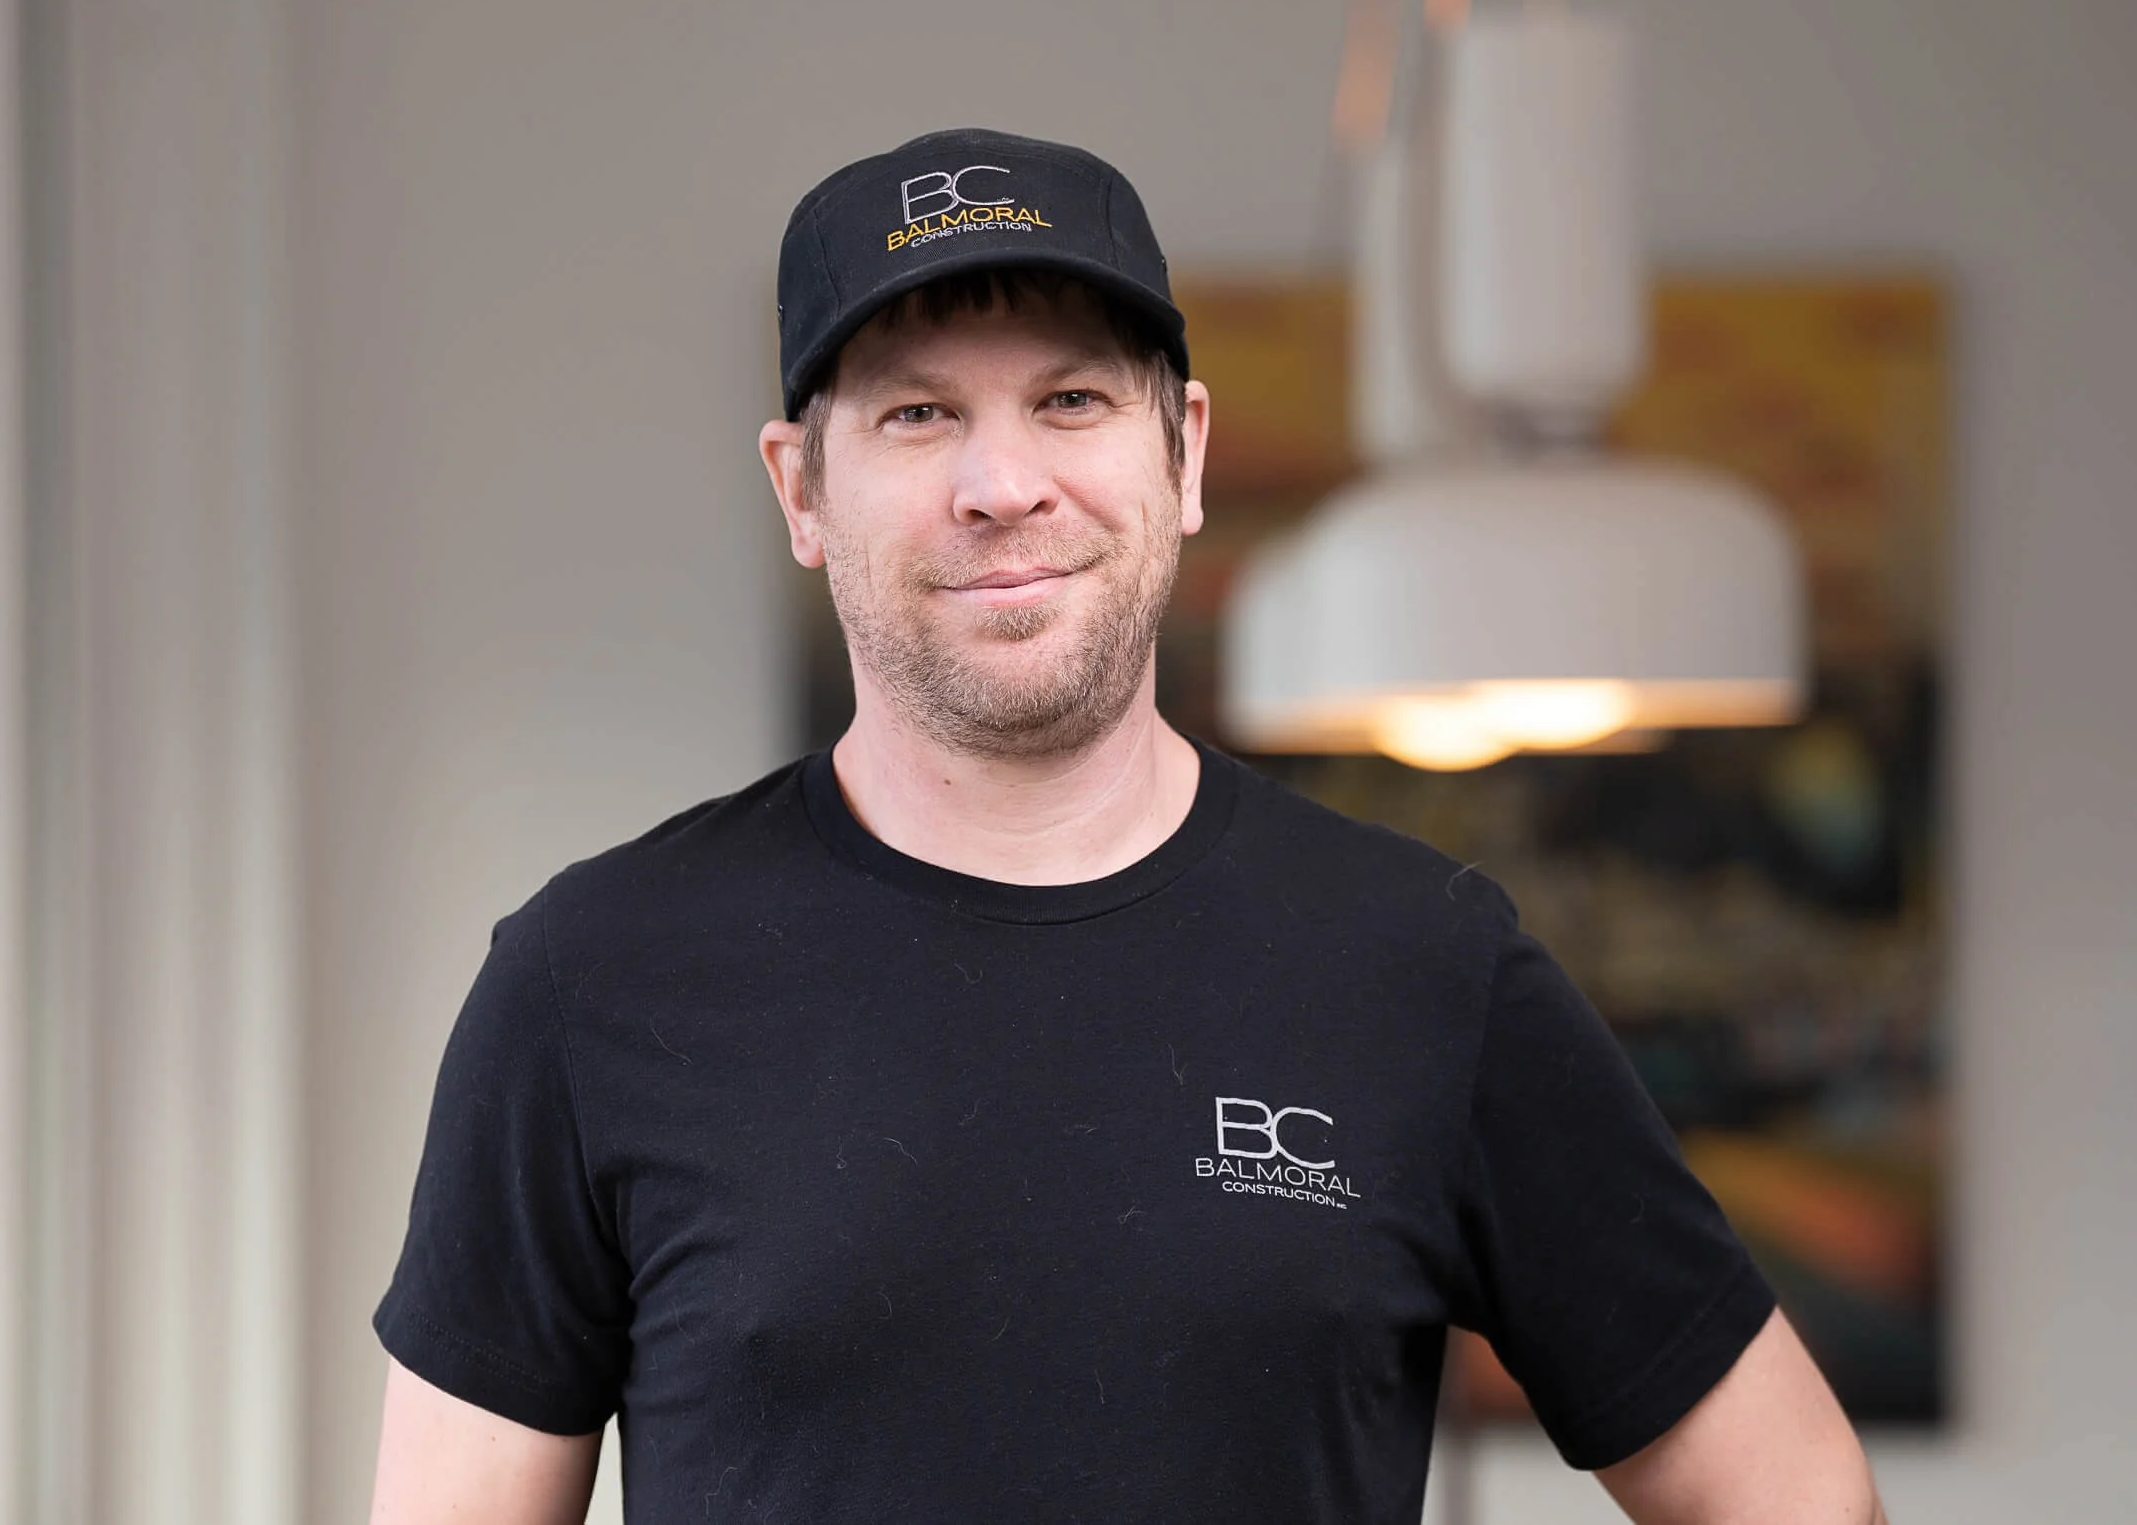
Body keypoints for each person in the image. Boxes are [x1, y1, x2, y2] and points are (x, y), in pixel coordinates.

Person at [365, 128, 1887, 1524]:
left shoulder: (1424, 968)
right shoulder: (592, 980)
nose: (1002, 484)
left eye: (1072, 400)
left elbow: (1799, 1496)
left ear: (1186, 453)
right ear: (801, 488)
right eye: (917, 412)